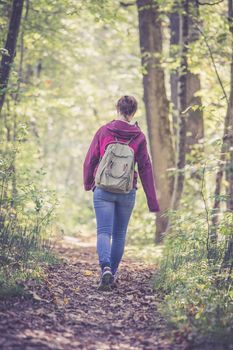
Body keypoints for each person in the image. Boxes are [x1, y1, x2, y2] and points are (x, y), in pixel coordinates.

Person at [83, 95, 160, 290]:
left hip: (103, 189)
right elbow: (145, 168)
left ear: (117, 108)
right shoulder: (139, 137)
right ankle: (113, 274)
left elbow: (90, 159)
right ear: (134, 112)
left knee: (103, 232)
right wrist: (153, 202)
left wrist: (88, 183)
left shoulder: (103, 131)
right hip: (127, 191)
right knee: (119, 234)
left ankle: (105, 269)